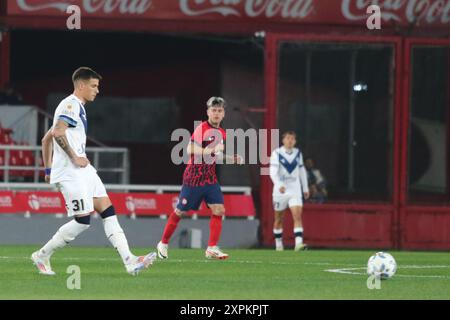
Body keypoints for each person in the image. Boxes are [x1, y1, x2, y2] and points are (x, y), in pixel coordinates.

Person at [32, 67, 156, 276]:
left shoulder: (75, 106)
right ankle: (42, 255)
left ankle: (130, 260)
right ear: (81, 85)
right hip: (72, 172)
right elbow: (59, 132)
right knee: (83, 221)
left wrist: (47, 169)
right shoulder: (70, 104)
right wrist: (72, 157)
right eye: (93, 86)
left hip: (83, 170)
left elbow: (47, 138)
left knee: (107, 210)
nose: (97, 90)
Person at [157, 96, 243, 260]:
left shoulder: (222, 133)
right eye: (213, 110)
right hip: (193, 178)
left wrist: (231, 159)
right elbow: (190, 149)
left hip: (209, 178)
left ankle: (211, 248)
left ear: (224, 114)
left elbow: (215, 156)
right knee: (180, 212)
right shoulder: (202, 128)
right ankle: (163, 243)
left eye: (219, 110)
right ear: (208, 112)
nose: (216, 113)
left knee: (219, 209)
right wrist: (210, 150)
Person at [270, 131, 309, 251]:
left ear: (295, 141)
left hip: (294, 188)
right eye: (288, 138)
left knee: (297, 215)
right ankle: (278, 243)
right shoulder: (277, 153)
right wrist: (278, 184)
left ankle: (298, 243)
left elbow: (302, 171)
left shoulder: (298, 153)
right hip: (280, 190)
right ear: (283, 140)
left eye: (292, 139)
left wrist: (305, 188)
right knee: (278, 218)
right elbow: (273, 171)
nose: (290, 141)